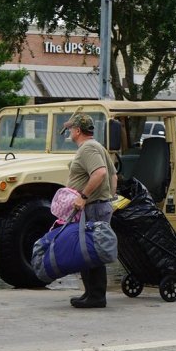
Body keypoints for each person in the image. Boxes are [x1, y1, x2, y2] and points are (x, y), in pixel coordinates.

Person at [63, 113, 118, 308]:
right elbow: (113, 176)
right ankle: (91, 293)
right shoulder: (97, 146)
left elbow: (101, 172)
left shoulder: (88, 148)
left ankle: (96, 296)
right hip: (99, 205)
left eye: (71, 129)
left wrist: (84, 196)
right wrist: (110, 197)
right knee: (89, 250)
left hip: (93, 207)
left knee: (91, 251)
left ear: (78, 130)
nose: (69, 132)